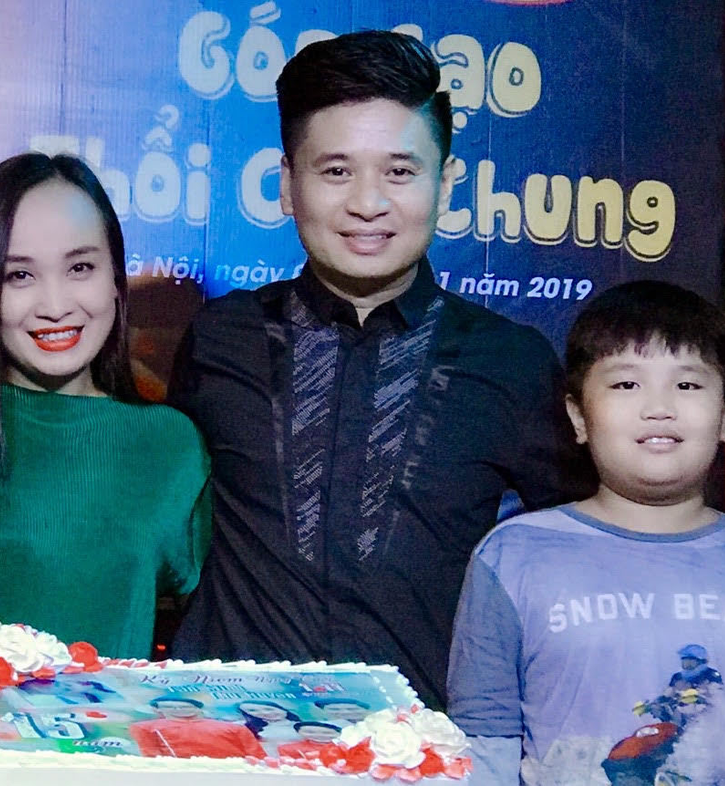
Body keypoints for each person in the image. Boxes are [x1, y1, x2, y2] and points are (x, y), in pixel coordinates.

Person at [167, 29, 587, 710]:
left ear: (446, 184)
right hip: (225, 738)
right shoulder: (221, 339)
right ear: (287, 185)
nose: (368, 202)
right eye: (336, 171)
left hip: (423, 743)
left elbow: (588, 555)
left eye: (400, 172)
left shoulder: (511, 362)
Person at [446, 281, 725, 784]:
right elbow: (482, 752)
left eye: (688, 385)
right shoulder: (512, 556)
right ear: (578, 416)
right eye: (626, 384)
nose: (659, 407)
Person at [0, 152, 211, 659]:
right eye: (19, 276)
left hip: (115, 712)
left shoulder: (168, 445)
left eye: (80, 268)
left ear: (115, 278)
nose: (55, 306)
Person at [128, 696, 266, 759]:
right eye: (170, 707)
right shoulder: (145, 727)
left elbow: (257, 756)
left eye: (185, 707)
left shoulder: (234, 728)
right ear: (158, 710)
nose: (178, 710)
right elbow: (150, 756)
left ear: (199, 709)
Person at [236, 699, 301, 744]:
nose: (264, 713)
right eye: (252, 711)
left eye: (268, 709)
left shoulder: (300, 726)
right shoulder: (244, 726)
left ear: (283, 709)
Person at [276, 721, 344, 760]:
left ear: (339, 734)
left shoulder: (344, 748)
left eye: (327, 733)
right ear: (298, 732)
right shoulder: (288, 748)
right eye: (310, 732)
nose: (318, 735)